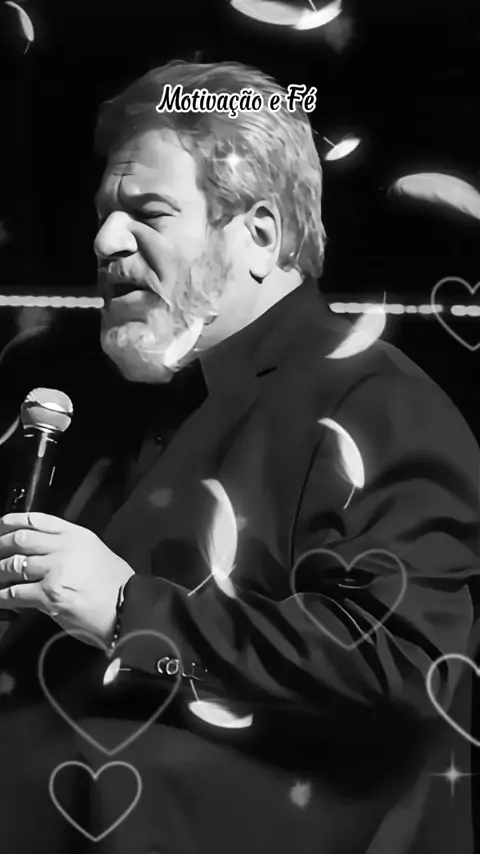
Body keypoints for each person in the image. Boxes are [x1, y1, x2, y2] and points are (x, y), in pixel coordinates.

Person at [0, 60, 478, 854]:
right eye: (104, 214)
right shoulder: (119, 407)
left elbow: (402, 663)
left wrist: (128, 610)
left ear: (259, 235)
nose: (105, 241)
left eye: (148, 212)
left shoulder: (376, 402)